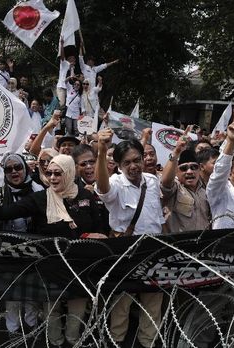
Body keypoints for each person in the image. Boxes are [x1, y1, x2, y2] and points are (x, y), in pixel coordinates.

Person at [0, 154, 102, 347]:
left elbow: (99, 226)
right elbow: (4, 213)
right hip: (50, 267)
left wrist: (92, 235)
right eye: (49, 173)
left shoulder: (85, 196)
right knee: (52, 313)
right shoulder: (40, 198)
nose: (52, 178)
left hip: (80, 266)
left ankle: (73, 341)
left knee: (76, 316)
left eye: (58, 173)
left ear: (69, 173)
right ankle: (55, 342)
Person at [94, 128, 164, 348]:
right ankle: (115, 342)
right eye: (127, 163)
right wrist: (101, 151)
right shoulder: (114, 183)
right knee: (121, 302)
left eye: (137, 160)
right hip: (125, 250)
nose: (133, 166)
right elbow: (103, 189)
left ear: (144, 159)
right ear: (119, 165)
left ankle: (148, 342)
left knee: (152, 301)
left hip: (153, 248)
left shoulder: (152, 181)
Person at [0, 153, 44, 340]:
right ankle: (12, 331)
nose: (14, 172)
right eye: (9, 169)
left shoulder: (38, 190)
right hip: (8, 252)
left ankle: (32, 327)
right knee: (12, 295)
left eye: (18, 167)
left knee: (31, 293)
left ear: (25, 168)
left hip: (34, 250)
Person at [161, 137, 211, 233]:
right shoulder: (175, 189)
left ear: (200, 169)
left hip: (203, 243)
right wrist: (176, 152)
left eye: (194, 167)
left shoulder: (206, 188)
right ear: (176, 172)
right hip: (179, 244)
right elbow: (166, 182)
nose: (189, 172)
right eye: (184, 168)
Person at [57, 38, 78, 106]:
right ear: (69, 59)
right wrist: (62, 45)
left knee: (68, 104)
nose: (74, 59)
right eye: (73, 58)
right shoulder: (64, 63)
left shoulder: (72, 68)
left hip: (69, 88)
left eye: (74, 58)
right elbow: (62, 56)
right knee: (61, 104)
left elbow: (72, 79)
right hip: (62, 86)